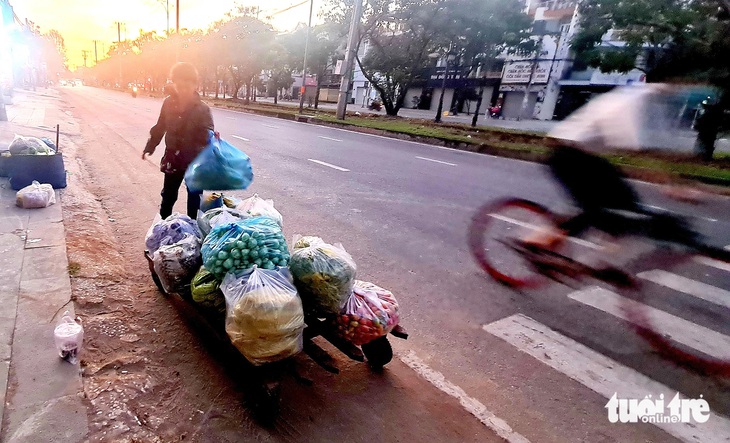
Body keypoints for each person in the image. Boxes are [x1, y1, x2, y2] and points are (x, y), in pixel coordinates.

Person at [142, 62, 214, 219]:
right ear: (174, 84)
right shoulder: (168, 103)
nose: (184, 89)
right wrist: (151, 145)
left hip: (194, 160)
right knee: (168, 196)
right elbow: (160, 126)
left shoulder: (202, 109)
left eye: (188, 84)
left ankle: (193, 232)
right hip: (173, 158)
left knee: (195, 199)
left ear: (195, 84)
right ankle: (163, 227)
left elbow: (208, 132)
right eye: (180, 85)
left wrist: (211, 137)